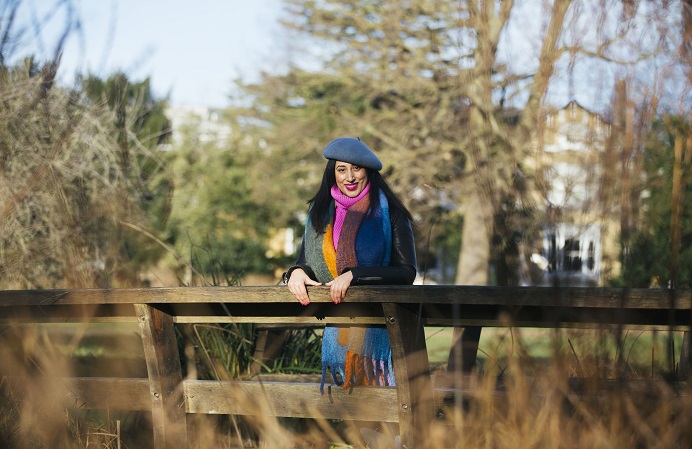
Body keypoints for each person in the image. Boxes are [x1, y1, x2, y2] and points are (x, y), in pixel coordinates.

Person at [283, 137, 417, 395]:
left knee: (386, 405)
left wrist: (355, 275)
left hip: (385, 325)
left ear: (369, 171)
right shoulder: (319, 213)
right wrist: (296, 272)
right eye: (342, 169)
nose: (350, 177)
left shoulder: (390, 213)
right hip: (339, 323)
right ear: (332, 173)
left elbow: (406, 272)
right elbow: (308, 264)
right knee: (356, 411)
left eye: (357, 168)